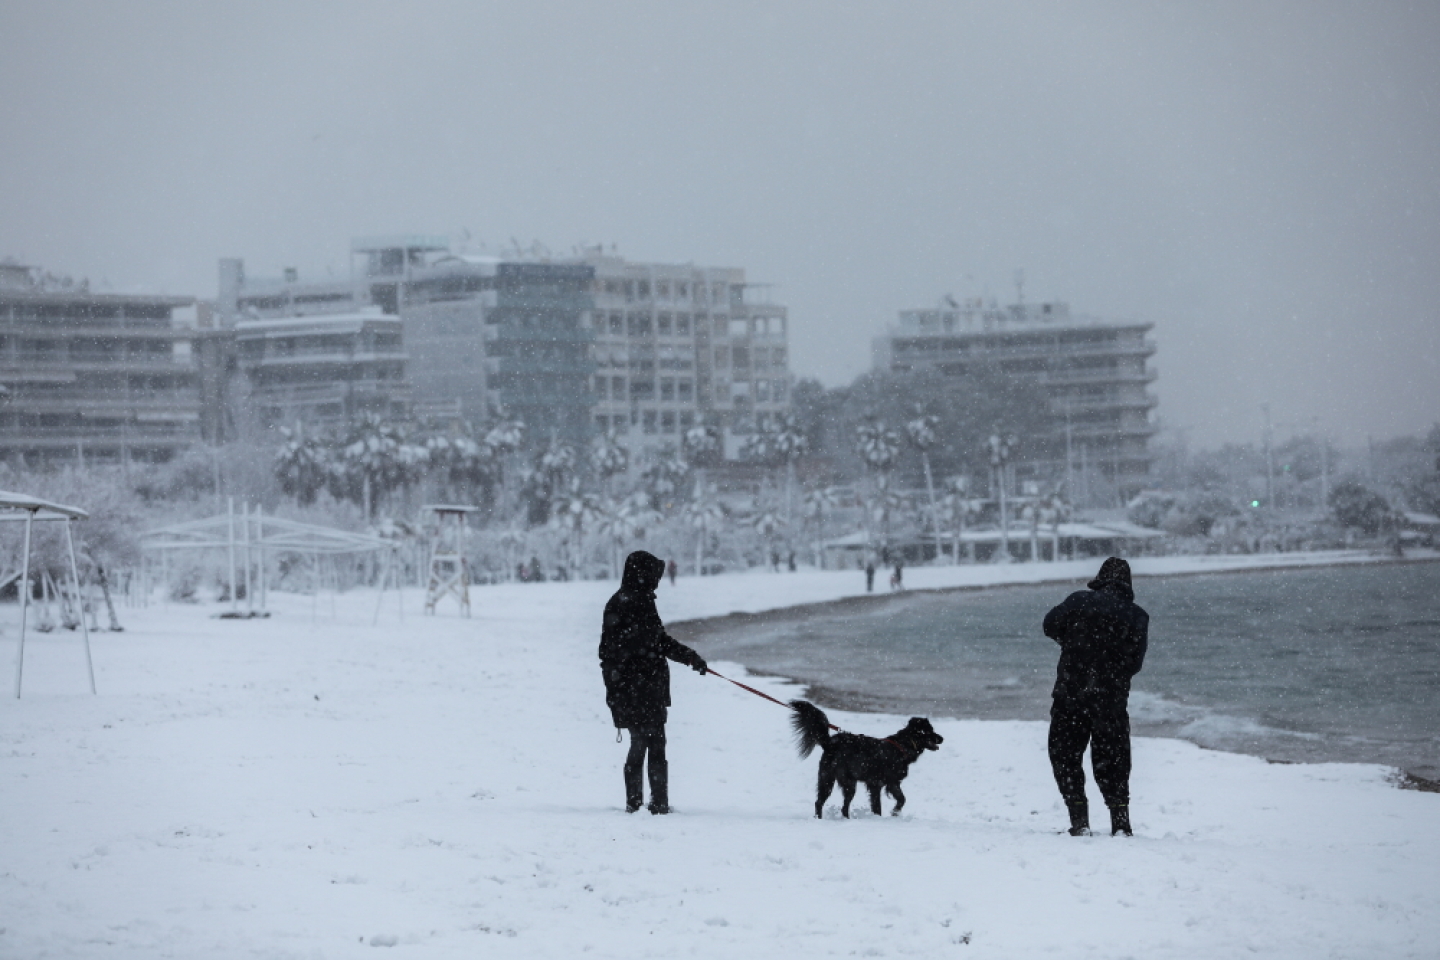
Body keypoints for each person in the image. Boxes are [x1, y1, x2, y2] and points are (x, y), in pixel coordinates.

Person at [1043, 557, 1148, 837]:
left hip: (1071, 694)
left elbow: (1049, 625)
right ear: (1127, 583)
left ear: (1100, 578)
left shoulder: (1078, 601)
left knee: (1065, 755)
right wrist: (1110, 668)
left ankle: (1079, 820)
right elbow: (1135, 664)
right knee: (1113, 759)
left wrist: (1073, 644)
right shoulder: (1137, 615)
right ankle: (1121, 822)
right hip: (1111, 700)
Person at [599, 550, 708, 814]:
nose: (657, 580)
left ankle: (648, 803)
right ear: (642, 574)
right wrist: (619, 684)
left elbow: (656, 642)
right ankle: (647, 804)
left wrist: (690, 658)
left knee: (651, 744)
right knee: (646, 744)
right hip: (637, 688)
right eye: (654, 575)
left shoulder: (637, 600)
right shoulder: (627, 602)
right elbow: (623, 649)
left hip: (644, 687)